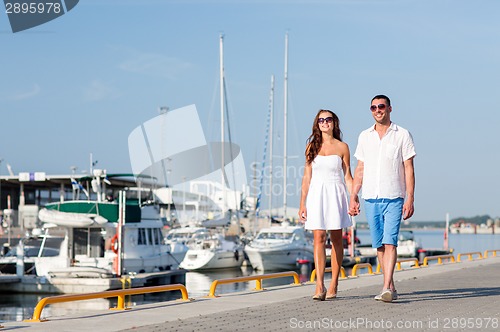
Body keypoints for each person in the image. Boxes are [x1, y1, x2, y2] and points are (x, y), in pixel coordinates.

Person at [349, 94, 416, 303]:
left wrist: (410, 198)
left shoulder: (402, 134)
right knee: (379, 245)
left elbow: (409, 168)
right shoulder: (364, 136)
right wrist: (353, 195)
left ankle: (386, 286)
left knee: (390, 242)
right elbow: (360, 169)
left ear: (389, 108)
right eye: (373, 107)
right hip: (370, 197)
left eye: (381, 106)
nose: (378, 110)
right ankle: (391, 285)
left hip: (394, 195)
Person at [299, 109, 353, 301]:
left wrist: (353, 198)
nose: (324, 123)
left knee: (337, 239)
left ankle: (334, 283)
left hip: (336, 193)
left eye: (328, 119)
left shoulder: (342, 147)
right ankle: (319, 284)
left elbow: (348, 177)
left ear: (334, 122)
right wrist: (302, 204)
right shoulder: (311, 147)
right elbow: (307, 178)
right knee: (319, 237)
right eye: (321, 120)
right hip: (316, 194)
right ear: (317, 123)